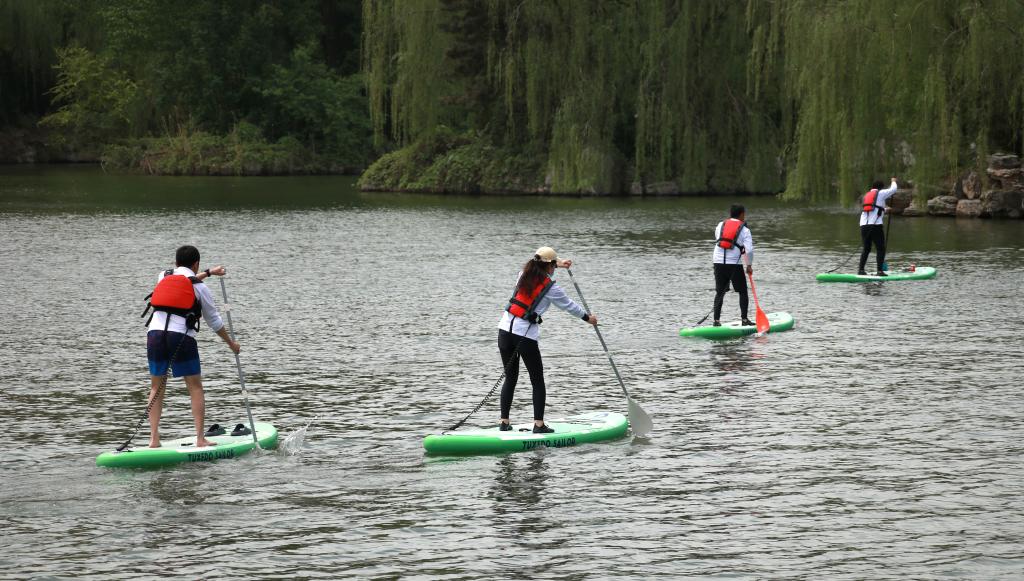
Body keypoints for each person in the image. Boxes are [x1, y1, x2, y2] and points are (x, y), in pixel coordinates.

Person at [143, 245, 240, 448]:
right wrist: (231, 344)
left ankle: (153, 439)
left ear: (175, 262)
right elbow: (214, 321)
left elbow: (186, 279)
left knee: (156, 386)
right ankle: (200, 439)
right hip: (181, 337)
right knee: (195, 387)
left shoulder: (163, 276)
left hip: (154, 335)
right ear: (196, 264)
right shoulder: (201, 287)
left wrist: (209, 273)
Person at [498, 247, 598, 433]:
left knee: (510, 377)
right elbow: (570, 306)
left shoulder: (522, 274)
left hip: (504, 331)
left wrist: (559, 263)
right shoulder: (552, 289)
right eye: (554, 266)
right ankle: (539, 425)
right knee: (537, 380)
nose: (554, 269)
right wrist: (588, 318)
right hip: (524, 336)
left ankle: (504, 422)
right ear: (549, 266)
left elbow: (541, 262)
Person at [712, 204, 754, 327]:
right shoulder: (745, 230)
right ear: (742, 214)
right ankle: (744, 320)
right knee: (742, 291)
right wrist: (749, 265)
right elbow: (749, 251)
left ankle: (716, 321)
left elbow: (719, 239)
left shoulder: (720, 225)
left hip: (717, 261)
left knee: (720, 292)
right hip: (734, 263)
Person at [858, 177, 899, 275]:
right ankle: (880, 271)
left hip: (864, 225)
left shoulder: (867, 195)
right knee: (880, 248)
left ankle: (861, 270)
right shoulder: (880, 193)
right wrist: (893, 181)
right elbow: (893, 189)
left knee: (866, 248)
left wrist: (885, 209)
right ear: (881, 188)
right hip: (875, 225)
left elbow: (874, 208)